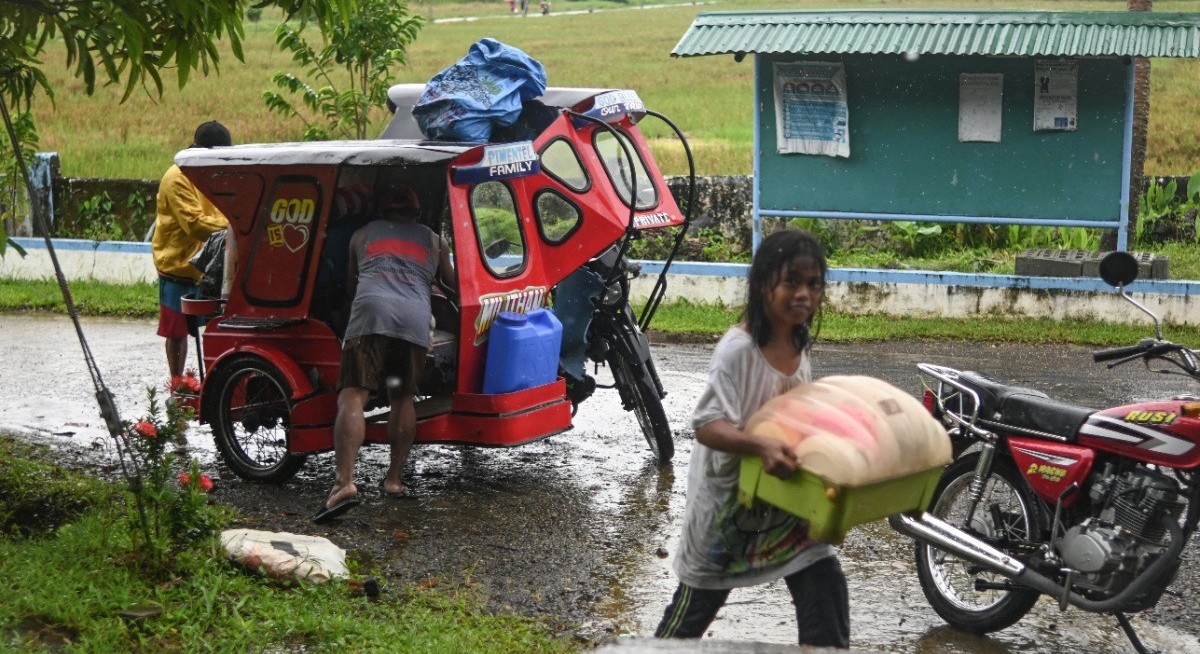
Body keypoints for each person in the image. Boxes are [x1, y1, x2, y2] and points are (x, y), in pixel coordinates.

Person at [655, 228, 850, 648]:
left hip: (783, 501)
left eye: (814, 284)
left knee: (824, 582)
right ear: (764, 285)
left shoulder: (798, 340)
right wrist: (760, 445)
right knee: (695, 606)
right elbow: (707, 424)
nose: (804, 294)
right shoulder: (737, 350)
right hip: (728, 508)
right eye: (792, 282)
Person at [315, 176, 456, 523]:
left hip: (370, 318)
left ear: (381, 209)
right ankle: (393, 480)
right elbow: (452, 283)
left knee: (353, 396)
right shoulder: (434, 241)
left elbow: (351, 284)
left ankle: (345, 483)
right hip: (412, 324)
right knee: (401, 395)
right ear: (417, 211)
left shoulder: (362, 235)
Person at [151, 121, 232, 380]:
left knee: (216, 328)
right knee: (176, 334)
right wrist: (237, 227)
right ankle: (177, 384)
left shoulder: (213, 173)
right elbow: (195, 225)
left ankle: (216, 380)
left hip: (211, 265)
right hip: (178, 266)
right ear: (198, 151)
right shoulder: (177, 178)